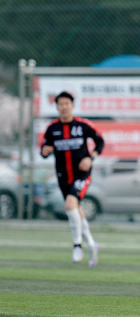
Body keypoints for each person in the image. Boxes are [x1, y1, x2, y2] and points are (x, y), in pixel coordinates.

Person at [41, 91, 103, 267]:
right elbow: (44, 149)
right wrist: (44, 151)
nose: (64, 107)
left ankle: (77, 245)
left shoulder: (82, 125)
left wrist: (90, 158)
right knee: (75, 210)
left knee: (69, 205)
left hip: (82, 174)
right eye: (60, 104)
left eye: (67, 103)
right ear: (57, 107)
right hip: (63, 176)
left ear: (72, 106)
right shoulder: (52, 128)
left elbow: (100, 141)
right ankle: (91, 243)